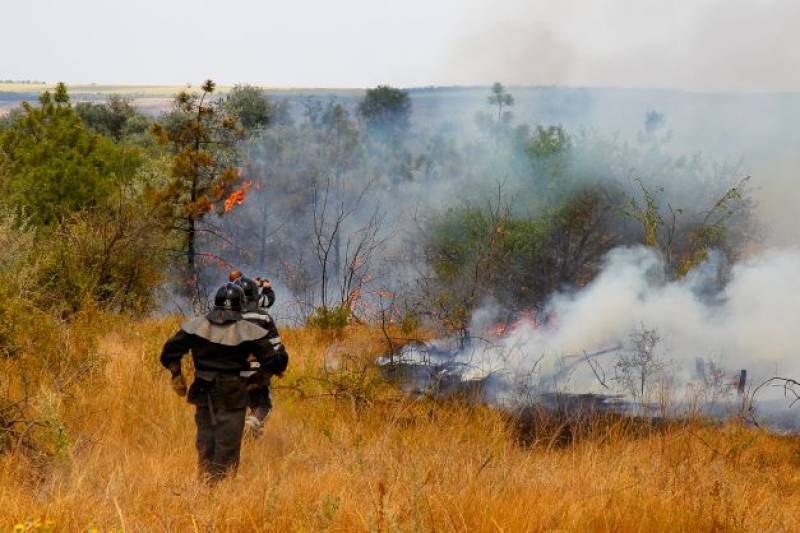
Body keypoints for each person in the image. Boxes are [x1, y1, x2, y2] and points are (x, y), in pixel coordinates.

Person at [160, 283, 288, 482]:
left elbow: (169, 351)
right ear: (240, 306)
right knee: (226, 448)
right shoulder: (247, 330)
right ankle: (217, 494)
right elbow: (276, 362)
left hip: (203, 390)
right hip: (232, 393)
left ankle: (205, 489)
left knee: (206, 444)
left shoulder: (196, 326)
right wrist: (258, 379)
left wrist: (177, 374)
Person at [232, 275, 287, 437]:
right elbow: (276, 348)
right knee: (263, 405)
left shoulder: (225, 317)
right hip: (257, 373)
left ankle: (242, 432)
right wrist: (279, 368)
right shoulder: (263, 317)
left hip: (231, 374)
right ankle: (252, 423)